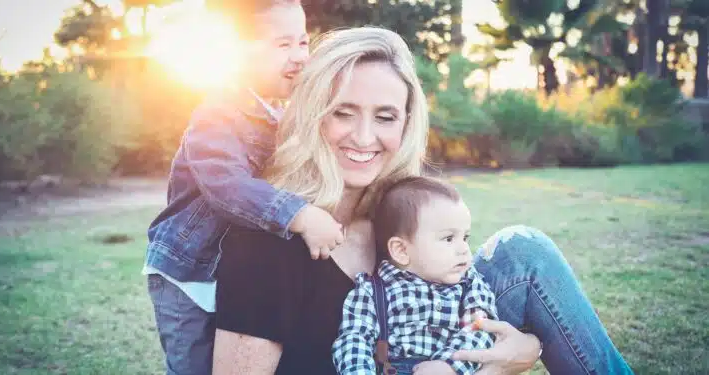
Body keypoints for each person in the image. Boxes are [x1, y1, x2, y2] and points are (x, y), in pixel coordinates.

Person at [213, 26, 635, 375]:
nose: (363, 137)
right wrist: (502, 367)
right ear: (312, 112)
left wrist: (528, 344)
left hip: (430, 358)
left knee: (524, 253)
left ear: (406, 124)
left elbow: (465, 302)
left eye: (385, 116)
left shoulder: (396, 214)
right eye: (343, 112)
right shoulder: (265, 244)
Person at [143, 1, 345, 374]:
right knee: (193, 366)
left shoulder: (281, 112)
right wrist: (299, 214)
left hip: (228, 271)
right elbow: (226, 185)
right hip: (188, 273)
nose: (300, 56)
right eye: (283, 45)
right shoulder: (217, 113)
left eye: (303, 43)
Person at [332, 176, 498, 375]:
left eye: (465, 237)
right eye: (448, 238)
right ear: (401, 250)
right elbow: (354, 339)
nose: (464, 249)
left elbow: (480, 328)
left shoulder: (470, 283)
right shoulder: (372, 291)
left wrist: (450, 365)